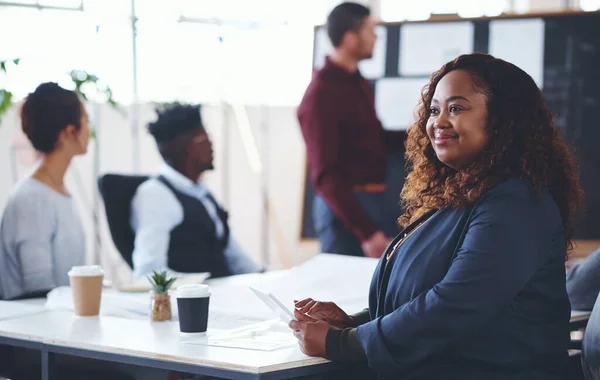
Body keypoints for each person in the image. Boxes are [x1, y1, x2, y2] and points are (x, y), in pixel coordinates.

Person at [289, 53, 583, 379]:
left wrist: (342, 343)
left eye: (456, 108)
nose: (438, 122)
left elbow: (452, 306)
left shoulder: (517, 204)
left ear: (503, 119)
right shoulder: (459, 196)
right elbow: (419, 298)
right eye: (433, 109)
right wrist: (353, 322)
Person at [297, 2, 406, 258]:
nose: (376, 37)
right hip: (346, 217)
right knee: (341, 293)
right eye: (370, 30)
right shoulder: (321, 94)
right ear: (349, 37)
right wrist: (367, 232)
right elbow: (326, 177)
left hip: (375, 205)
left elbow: (374, 140)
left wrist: (424, 133)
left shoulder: (358, 83)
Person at [130, 104, 261, 279]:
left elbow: (232, 254)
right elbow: (148, 271)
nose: (211, 144)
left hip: (227, 294)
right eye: (204, 137)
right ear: (186, 148)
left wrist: (264, 276)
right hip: (198, 301)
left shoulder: (201, 192)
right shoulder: (155, 195)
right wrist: (198, 284)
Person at [0, 82, 89, 300]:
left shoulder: (58, 192)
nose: (89, 131)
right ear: (70, 132)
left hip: (59, 320)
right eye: (87, 122)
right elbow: (38, 289)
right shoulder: (32, 198)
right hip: (34, 326)